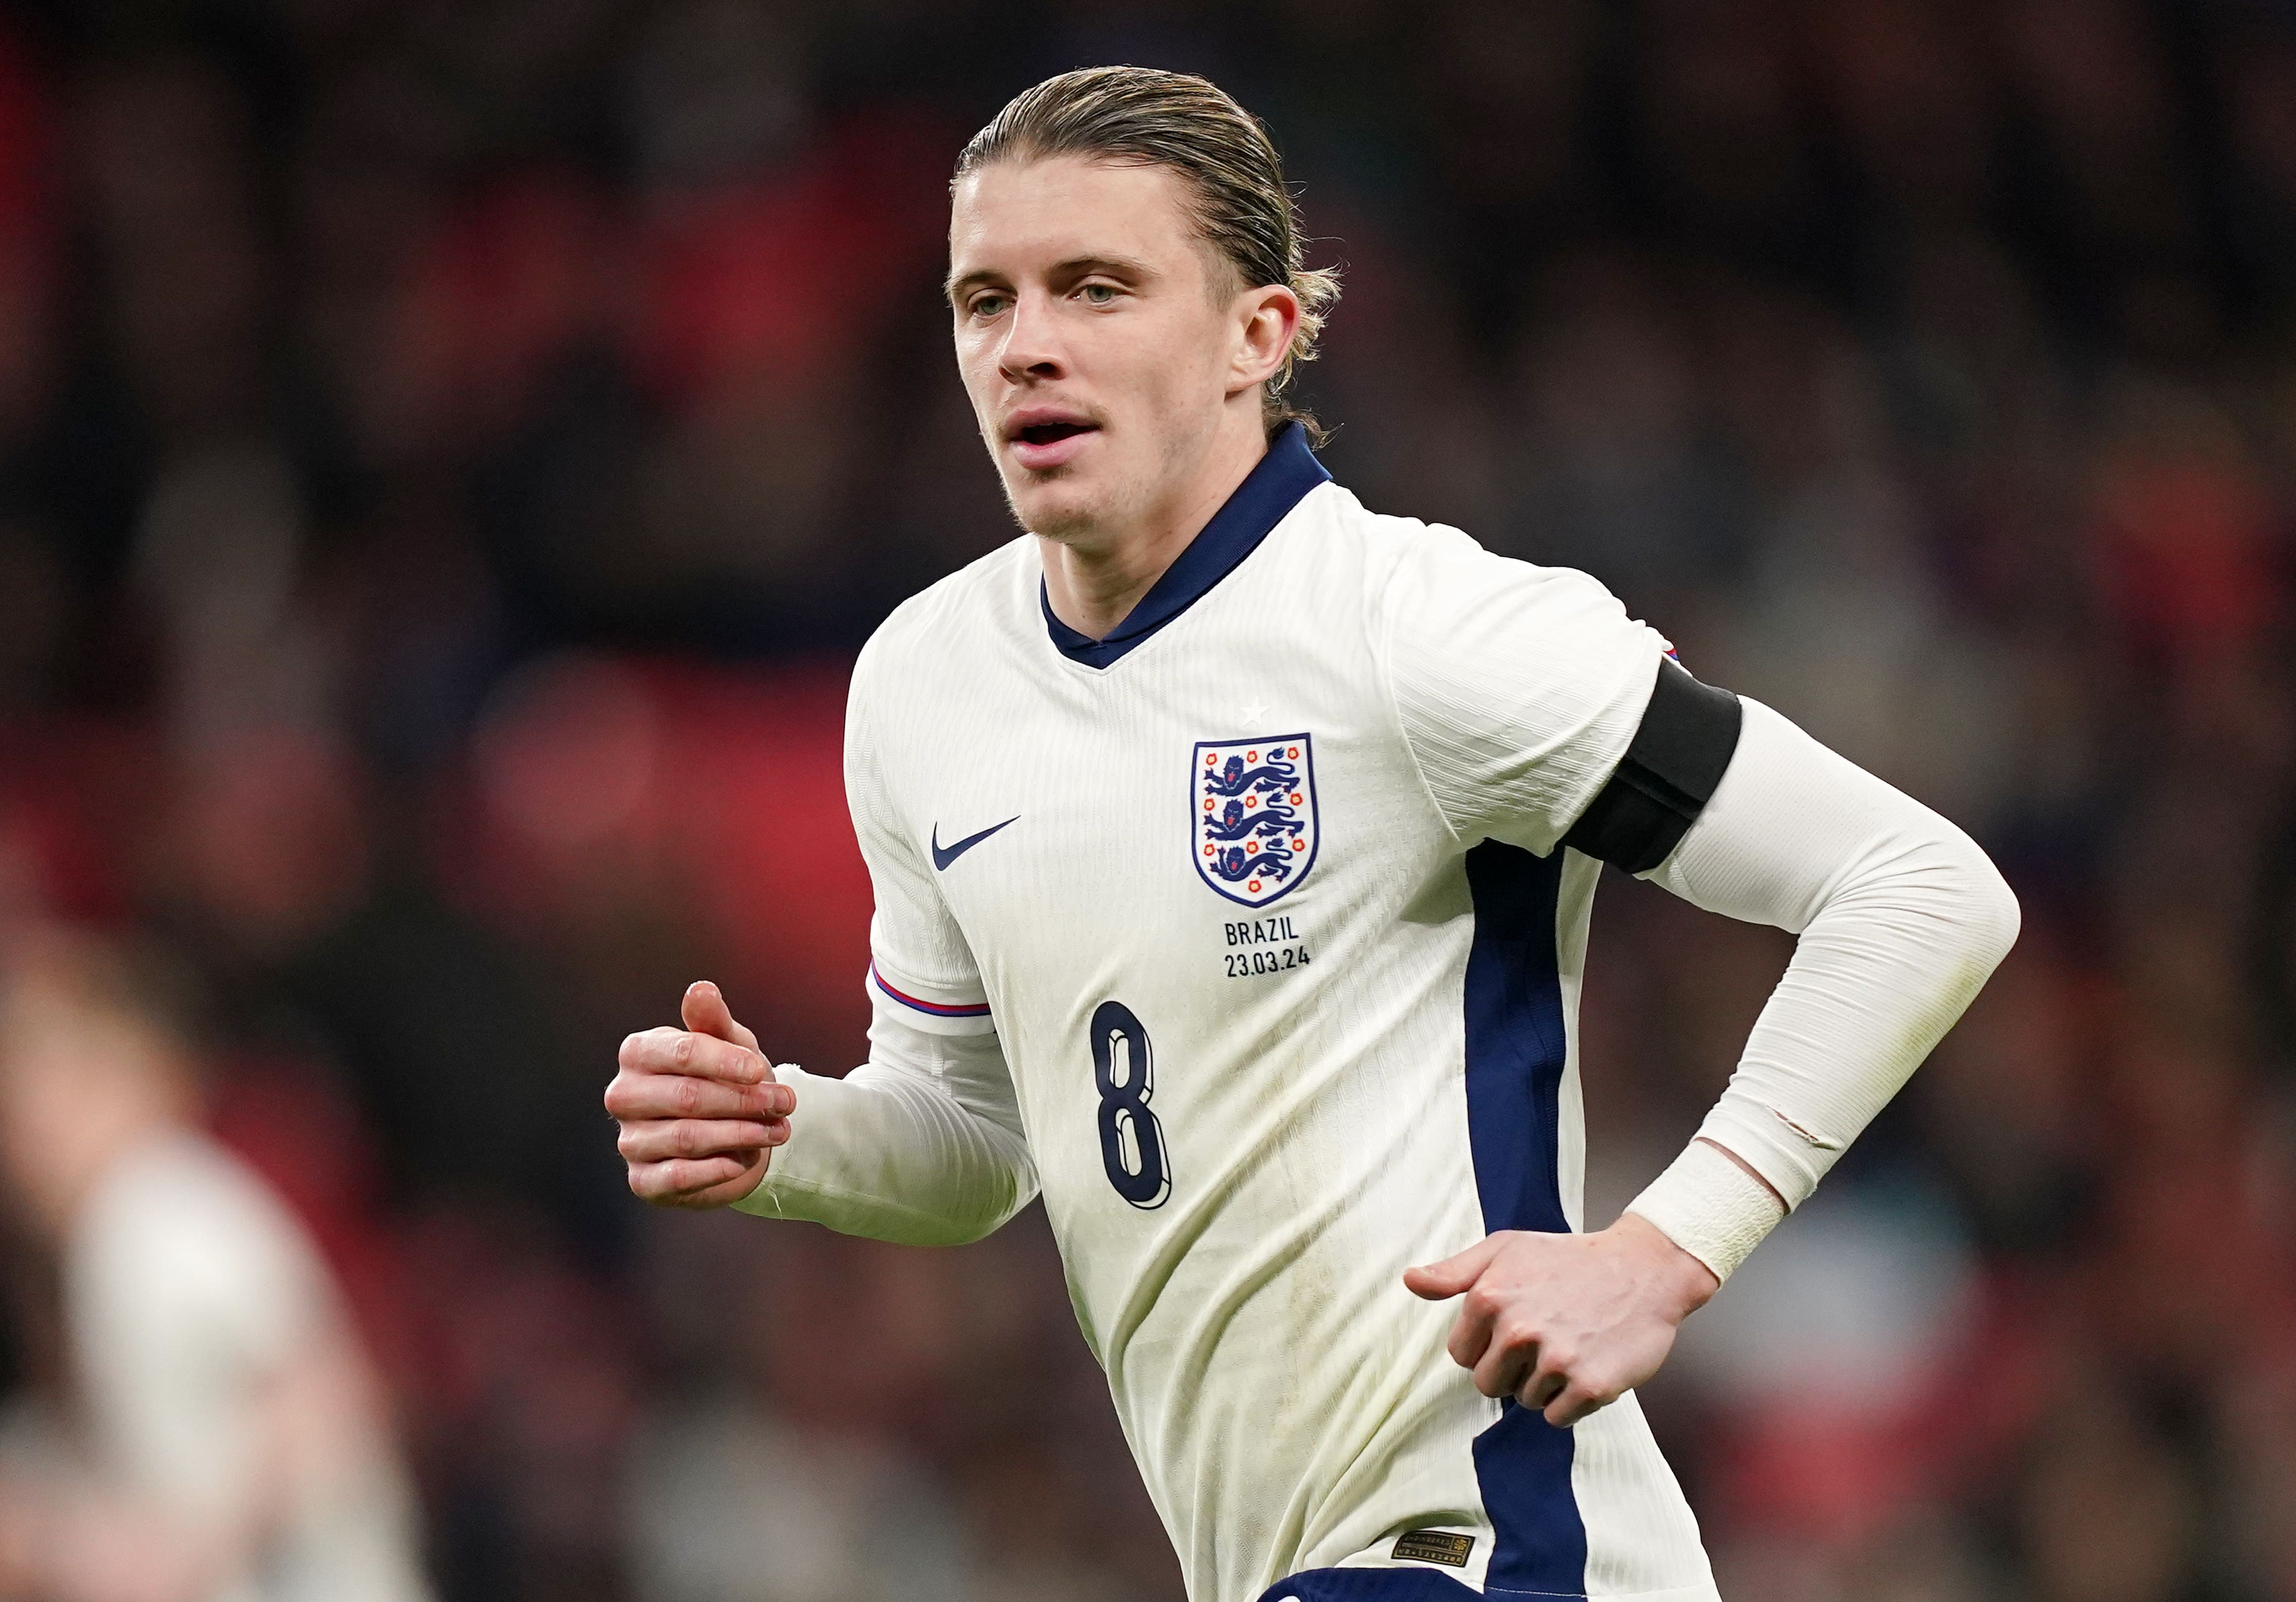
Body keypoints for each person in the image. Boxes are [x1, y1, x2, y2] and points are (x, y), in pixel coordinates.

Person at [605, 67, 2018, 1602]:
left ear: (1256, 336)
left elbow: (1920, 887)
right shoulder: (924, 685)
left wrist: (1664, 1249)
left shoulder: (1427, 634)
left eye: (1098, 288)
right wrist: (789, 1138)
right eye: (983, 299)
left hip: (1495, 1552)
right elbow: (984, 1145)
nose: (1029, 345)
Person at [0, 927, 434, 1602]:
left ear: (122, 1074)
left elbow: (319, 1396)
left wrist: (188, 1552)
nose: (13, 1145)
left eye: (32, 1102)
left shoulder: (157, 1208)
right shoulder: (133, 1218)